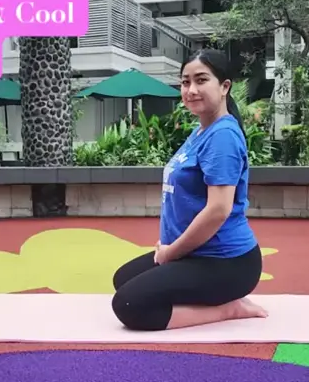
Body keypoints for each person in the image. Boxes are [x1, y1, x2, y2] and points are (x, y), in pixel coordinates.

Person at [110, 49, 268, 331]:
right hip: (196, 253)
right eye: (185, 82)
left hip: (227, 263)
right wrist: (171, 247)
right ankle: (204, 293)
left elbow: (218, 210)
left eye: (201, 80)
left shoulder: (223, 136)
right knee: (124, 279)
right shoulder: (201, 131)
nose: (191, 89)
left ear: (224, 87)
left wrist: (171, 253)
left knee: (129, 305)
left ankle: (228, 308)